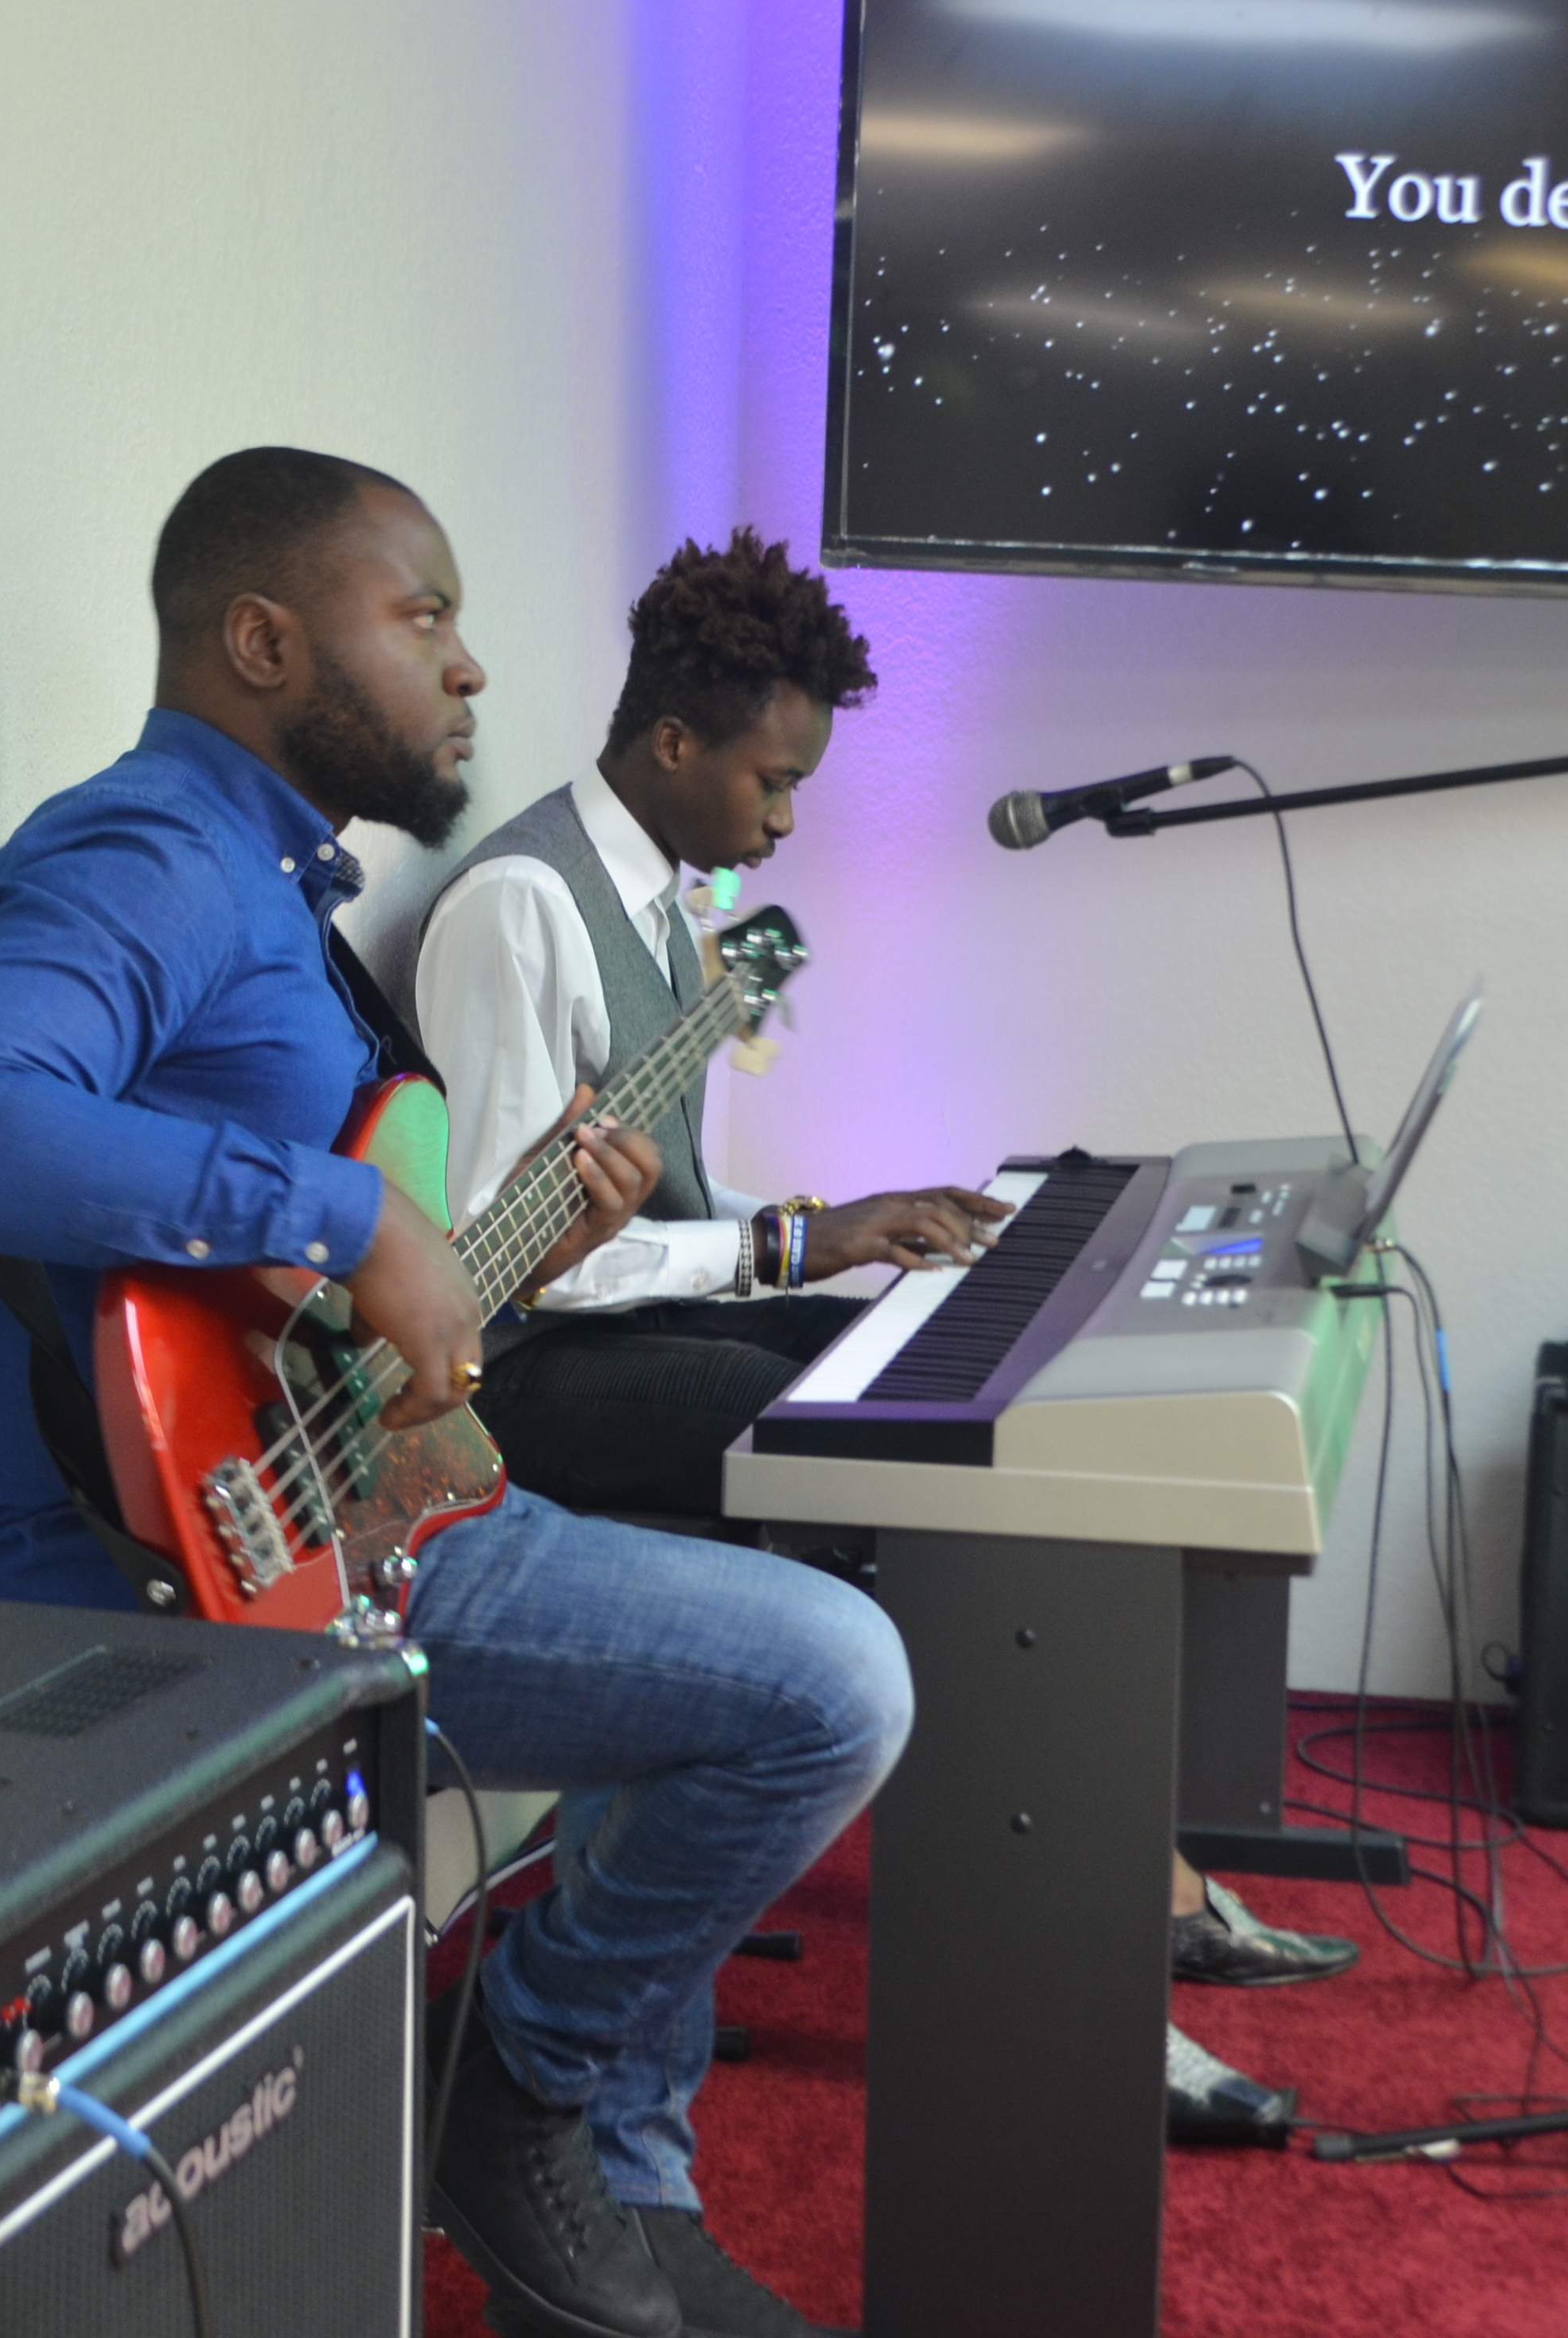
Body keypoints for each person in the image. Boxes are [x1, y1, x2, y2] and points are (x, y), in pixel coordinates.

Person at [0, 448, 904, 2338]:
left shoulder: (274, 894)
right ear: (264, 639)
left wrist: (489, 1236)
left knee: (791, 1662)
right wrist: (349, 1209)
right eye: (420, 616)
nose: (470, 669)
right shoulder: (148, 856)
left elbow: (334, 1296)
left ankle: (588, 2150)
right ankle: (521, 2085)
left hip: (371, 1501)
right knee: (831, 1683)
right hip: (216, 1567)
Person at [411, 530, 1359, 2150]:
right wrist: (791, 1242)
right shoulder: (520, 910)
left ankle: (1135, 1906)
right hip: (543, 1385)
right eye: (771, 785)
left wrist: (819, 1223)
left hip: (635, 1329)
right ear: (672, 745)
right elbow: (513, 1269)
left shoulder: (663, 900)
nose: (783, 822)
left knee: (956, 1396)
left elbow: (666, 1201)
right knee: (940, 1491)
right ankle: (1100, 1973)